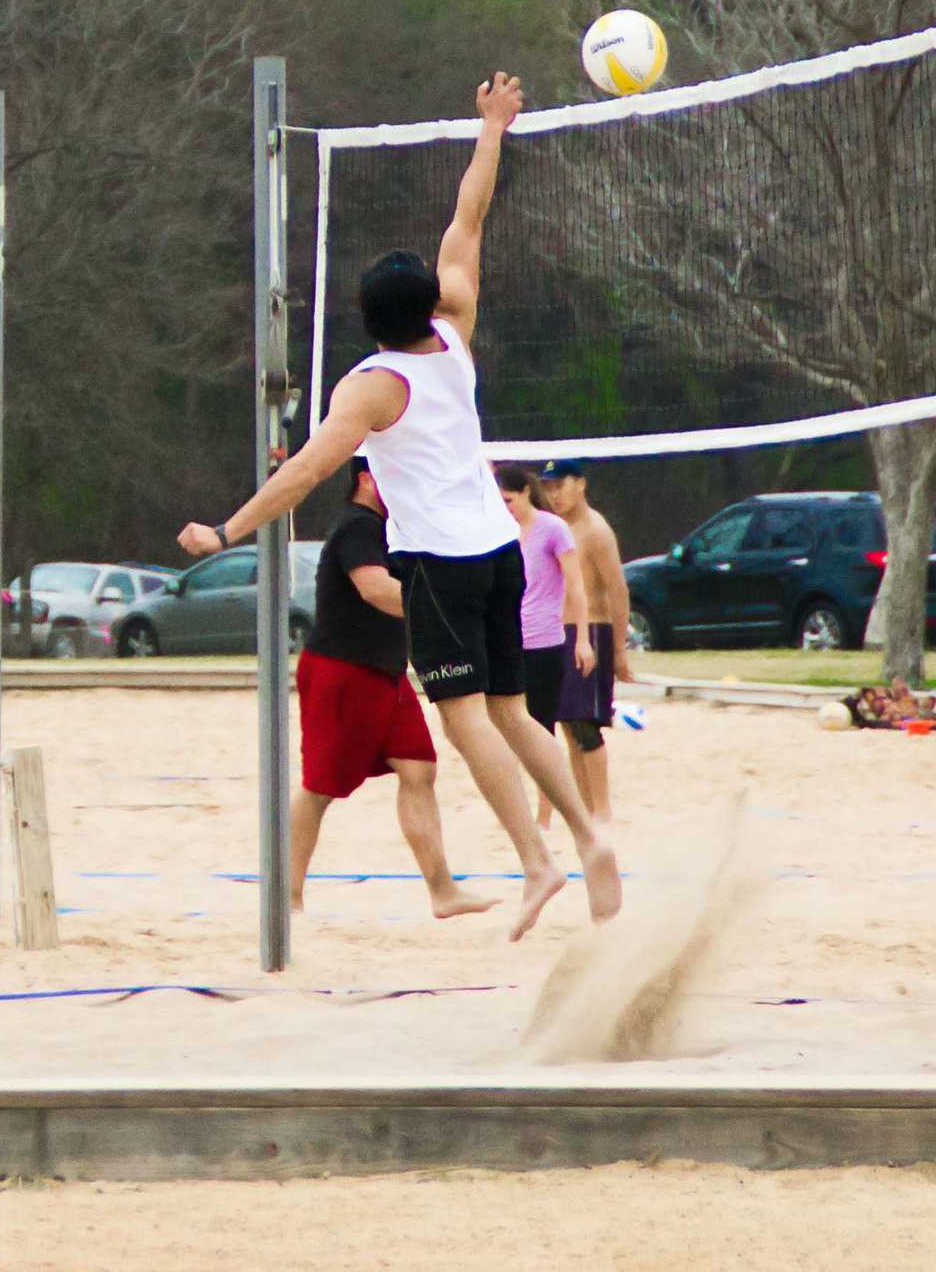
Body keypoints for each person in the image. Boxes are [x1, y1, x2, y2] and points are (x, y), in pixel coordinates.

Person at [177, 71, 620, 941]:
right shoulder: (454, 332)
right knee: (512, 713)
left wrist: (225, 529)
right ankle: (591, 833)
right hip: (499, 544)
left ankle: (540, 861)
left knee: (466, 724)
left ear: (368, 319)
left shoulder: (375, 387)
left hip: (444, 563)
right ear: (428, 304)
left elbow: (303, 473)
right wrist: (493, 126)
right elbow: (468, 219)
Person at [289, 458, 496, 920]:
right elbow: (375, 589)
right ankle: (287, 896)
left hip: (386, 671)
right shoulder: (357, 526)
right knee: (319, 787)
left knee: (419, 769)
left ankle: (443, 892)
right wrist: (442, 612)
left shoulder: (396, 530)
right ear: (366, 479)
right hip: (342, 669)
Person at [489, 466, 596, 831]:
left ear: (524, 494)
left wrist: (582, 639)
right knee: (503, 728)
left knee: (542, 728)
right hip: (507, 641)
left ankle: (546, 813)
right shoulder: (498, 532)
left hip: (545, 642)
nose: (505, 508)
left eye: (508, 500)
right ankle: (518, 810)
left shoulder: (552, 528)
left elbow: (576, 586)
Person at [541, 459, 625, 822]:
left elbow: (617, 590)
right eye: (549, 486)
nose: (554, 494)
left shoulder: (595, 530)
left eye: (561, 485)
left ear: (581, 485)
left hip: (590, 629)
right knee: (567, 724)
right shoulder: (555, 528)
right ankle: (586, 808)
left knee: (585, 724)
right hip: (558, 631)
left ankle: (603, 810)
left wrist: (620, 649)